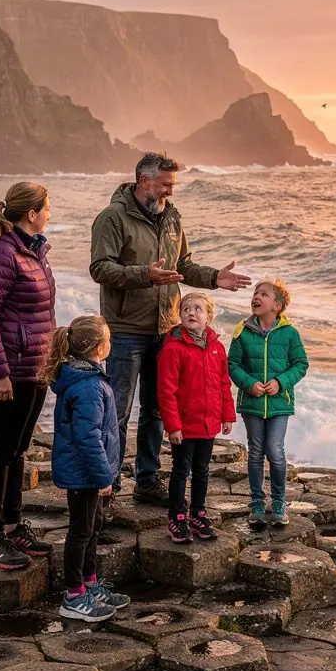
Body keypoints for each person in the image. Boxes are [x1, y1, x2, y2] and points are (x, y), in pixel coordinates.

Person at [90, 152, 251, 508]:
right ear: (144, 181)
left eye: (172, 184)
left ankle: (146, 481)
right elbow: (100, 268)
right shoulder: (112, 217)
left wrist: (215, 278)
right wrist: (144, 275)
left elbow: (183, 266)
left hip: (165, 331)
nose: (171, 191)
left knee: (156, 411)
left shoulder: (172, 217)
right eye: (166, 184)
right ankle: (107, 486)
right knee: (117, 412)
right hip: (126, 329)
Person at [0, 182, 56, 571]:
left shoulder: (33, 250)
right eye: (47, 207)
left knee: (18, 449)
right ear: (32, 214)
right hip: (9, 370)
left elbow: (40, 314)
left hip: (34, 366)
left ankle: (12, 525)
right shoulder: (0, 254)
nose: (51, 213)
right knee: (1, 450)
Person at [44, 313, 131, 621]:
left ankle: (90, 583)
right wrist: (104, 476)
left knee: (93, 527)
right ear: (98, 347)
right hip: (84, 474)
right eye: (108, 339)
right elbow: (87, 437)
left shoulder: (89, 379)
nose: (110, 343)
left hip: (89, 472)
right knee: (81, 532)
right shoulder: (88, 387)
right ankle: (73, 595)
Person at [227, 278, 308, 530]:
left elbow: (300, 364)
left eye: (263, 293)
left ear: (277, 305)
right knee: (255, 452)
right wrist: (249, 383)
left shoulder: (289, 333)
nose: (256, 296)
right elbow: (233, 365)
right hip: (252, 402)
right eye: (255, 293)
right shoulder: (242, 331)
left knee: (275, 450)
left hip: (279, 403)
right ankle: (257, 503)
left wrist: (280, 382)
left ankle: (280, 502)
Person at [157, 291, 236, 543]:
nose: (191, 312)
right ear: (179, 315)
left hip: (208, 423)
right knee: (181, 471)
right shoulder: (173, 349)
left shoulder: (217, 348)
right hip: (184, 425)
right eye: (186, 309)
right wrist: (173, 426)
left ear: (209, 316)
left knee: (202, 470)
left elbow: (223, 385)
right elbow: (166, 391)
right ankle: (176, 517)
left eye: (198, 309)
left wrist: (227, 416)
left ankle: (198, 514)